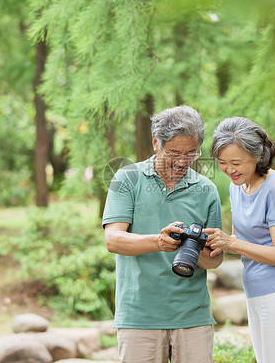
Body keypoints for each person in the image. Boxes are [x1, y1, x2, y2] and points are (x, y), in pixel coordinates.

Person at [102, 105, 223, 363]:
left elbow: (214, 260)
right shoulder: (127, 179)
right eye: (174, 153)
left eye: (191, 153)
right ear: (156, 143)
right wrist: (158, 241)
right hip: (139, 316)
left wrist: (191, 247)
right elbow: (113, 240)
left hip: (192, 317)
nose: (182, 161)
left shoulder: (207, 190)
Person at [204, 117, 275, 363]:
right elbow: (244, 241)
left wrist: (231, 244)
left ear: (257, 156)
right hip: (255, 290)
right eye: (222, 163)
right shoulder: (238, 186)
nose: (229, 170)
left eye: (236, 162)